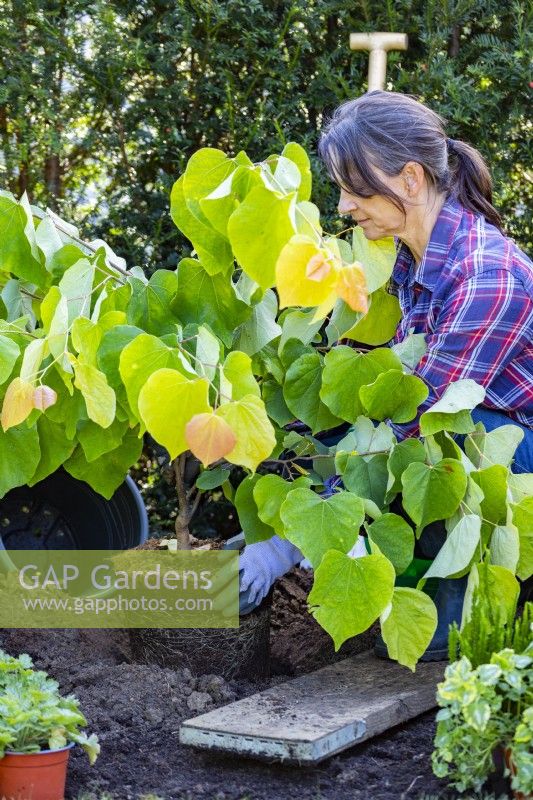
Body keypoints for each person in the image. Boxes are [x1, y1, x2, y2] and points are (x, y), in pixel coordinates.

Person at [232, 91, 533, 658]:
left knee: (456, 440)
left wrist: (294, 540)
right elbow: (388, 390)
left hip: (515, 463)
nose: (344, 206)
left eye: (355, 188)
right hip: (458, 433)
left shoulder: (487, 275)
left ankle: (464, 594)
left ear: (411, 179)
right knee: (328, 420)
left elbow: (422, 419)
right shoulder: (414, 257)